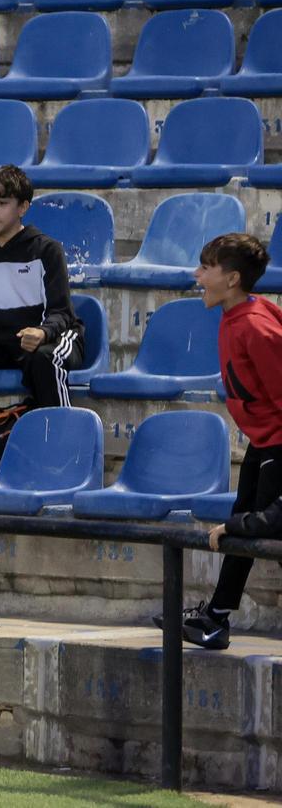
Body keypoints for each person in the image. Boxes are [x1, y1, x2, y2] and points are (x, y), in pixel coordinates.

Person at [156, 234, 282, 650]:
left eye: (206, 268)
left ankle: (216, 618)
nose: (197, 275)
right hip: (262, 440)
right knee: (242, 521)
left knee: (260, 530)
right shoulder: (238, 315)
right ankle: (216, 617)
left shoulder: (257, 328)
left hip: (278, 444)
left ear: (231, 279)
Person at [0, 166, 83, 409]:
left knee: (47, 358)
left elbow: (62, 313)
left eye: (1, 203)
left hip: (56, 337)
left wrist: (43, 333)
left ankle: (59, 433)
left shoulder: (47, 250)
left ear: (23, 207)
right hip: (4, 344)